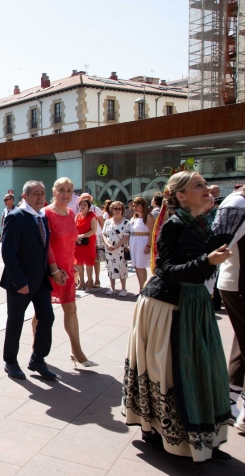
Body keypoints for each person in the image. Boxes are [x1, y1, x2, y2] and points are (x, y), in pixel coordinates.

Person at [122, 171, 232, 462]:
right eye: (199, 185)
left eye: (206, 185)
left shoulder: (201, 223)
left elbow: (199, 269)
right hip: (167, 305)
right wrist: (207, 260)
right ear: (181, 196)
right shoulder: (173, 224)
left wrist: (208, 261)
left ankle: (203, 436)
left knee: (202, 368)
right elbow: (166, 269)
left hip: (194, 303)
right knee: (169, 371)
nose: (207, 189)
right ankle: (160, 431)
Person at [1, 180, 66, 380]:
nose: (40, 197)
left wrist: (54, 271)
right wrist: (19, 281)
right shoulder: (16, 217)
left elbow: (44, 249)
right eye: (35, 193)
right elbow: (8, 252)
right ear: (25, 197)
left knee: (47, 316)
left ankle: (38, 359)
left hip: (40, 281)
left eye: (42, 193)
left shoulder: (42, 217)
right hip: (20, 282)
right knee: (16, 320)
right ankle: (10, 361)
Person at [34, 178, 97, 367]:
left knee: (71, 309)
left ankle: (77, 351)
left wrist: (74, 266)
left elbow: (71, 242)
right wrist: (55, 270)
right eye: (61, 190)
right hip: (49, 270)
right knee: (41, 313)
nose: (66, 194)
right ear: (54, 192)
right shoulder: (46, 214)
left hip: (68, 270)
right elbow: (47, 245)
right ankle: (36, 350)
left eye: (69, 190)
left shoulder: (71, 213)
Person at [212, 185, 245, 432]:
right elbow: (218, 245)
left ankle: (231, 400)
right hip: (237, 283)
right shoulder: (236, 203)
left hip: (235, 282)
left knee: (241, 342)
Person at [102, 201, 130, 296]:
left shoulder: (126, 222)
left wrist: (116, 246)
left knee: (122, 268)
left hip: (120, 249)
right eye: (115, 209)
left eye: (119, 209)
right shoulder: (107, 221)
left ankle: (123, 289)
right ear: (112, 210)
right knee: (110, 268)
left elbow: (126, 236)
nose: (117, 210)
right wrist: (107, 244)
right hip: (109, 249)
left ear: (122, 210)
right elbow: (104, 234)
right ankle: (112, 288)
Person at [129, 196, 155, 293]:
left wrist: (148, 246)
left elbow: (152, 232)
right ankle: (141, 287)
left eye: (137, 205)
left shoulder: (148, 216)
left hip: (142, 242)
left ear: (143, 205)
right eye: (134, 206)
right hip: (134, 242)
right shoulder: (135, 217)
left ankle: (144, 288)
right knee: (136, 266)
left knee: (140, 266)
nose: (135, 207)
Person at [74, 194, 97, 290]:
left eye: (85, 205)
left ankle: (89, 282)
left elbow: (93, 230)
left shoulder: (92, 216)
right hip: (78, 243)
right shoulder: (77, 216)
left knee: (89, 263)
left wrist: (81, 236)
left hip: (88, 242)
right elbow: (74, 228)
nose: (82, 207)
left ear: (88, 207)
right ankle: (82, 282)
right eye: (81, 205)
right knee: (78, 263)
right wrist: (76, 238)